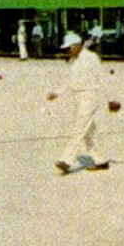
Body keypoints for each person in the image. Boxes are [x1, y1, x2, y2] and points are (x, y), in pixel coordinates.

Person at [48, 31, 109, 174]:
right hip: (79, 97)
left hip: (90, 96)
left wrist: (111, 99)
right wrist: (57, 92)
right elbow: (70, 81)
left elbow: (103, 77)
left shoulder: (91, 58)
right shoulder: (73, 60)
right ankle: (101, 160)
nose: (68, 51)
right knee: (88, 132)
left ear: (77, 45)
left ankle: (66, 160)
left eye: (70, 47)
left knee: (79, 128)